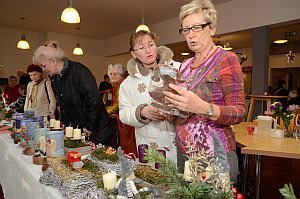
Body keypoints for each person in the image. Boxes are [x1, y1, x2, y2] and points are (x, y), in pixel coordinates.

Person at [163, 0, 246, 183]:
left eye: (197, 27)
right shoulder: (184, 65)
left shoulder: (226, 59)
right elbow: (184, 110)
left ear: (212, 28)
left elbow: (239, 112)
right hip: (185, 153)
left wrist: (204, 108)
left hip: (216, 157)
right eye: (185, 29)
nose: (190, 35)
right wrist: (172, 110)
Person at [32, 40, 114, 145]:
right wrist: (65, 124)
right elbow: (64, 105)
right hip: (78, 130)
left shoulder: (79, 71)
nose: (44, 70)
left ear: (54, 61)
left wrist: (89, 126)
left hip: (96, 130)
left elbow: (94, 101)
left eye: (44, 66)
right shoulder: (55, 78)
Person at [119, 30, 181, 164]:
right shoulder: (128, 83)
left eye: (151, 44)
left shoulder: (177, 69)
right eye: (141, 48)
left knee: (182, 180)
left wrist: (177, 112)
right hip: (149, 143)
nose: (148, 50)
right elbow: (123, 113)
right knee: (154, 179)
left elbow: (192, 97)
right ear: (134, 53)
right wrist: (141, 112)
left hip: (180, 141)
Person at [107, 63, 136, 154]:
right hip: (123, 119)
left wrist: (107, 111)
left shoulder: (121, 83)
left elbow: (119, 104)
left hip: (126, 120)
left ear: (121, 75)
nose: (112, 76)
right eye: (111, 74)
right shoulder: (116, 85)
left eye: (116, 74)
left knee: (128, 143)